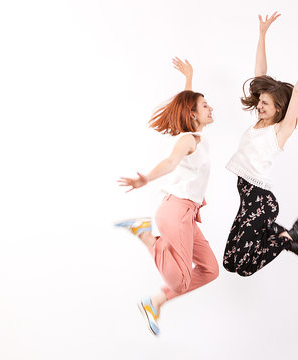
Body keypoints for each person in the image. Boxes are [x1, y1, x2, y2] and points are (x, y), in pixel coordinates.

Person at [223, 12, 298, 276]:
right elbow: (259, 74)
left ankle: (290, 236)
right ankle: (284, 232)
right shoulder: (260, 122)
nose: (259, 106)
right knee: (230, 262)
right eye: (259, 101)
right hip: (247, 199)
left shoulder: (280, 131)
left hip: (260, 201)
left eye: (264, 104)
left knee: (245, 268)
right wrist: (262, 34)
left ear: (279, 109)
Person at [115, 58, 218, 336]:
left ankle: (155, 302)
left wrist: (189, 78)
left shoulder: (196, 135)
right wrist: (145, 179)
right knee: (181, 282)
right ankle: (146, 235)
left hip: (185, 213)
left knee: (210, 270)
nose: (211, 108)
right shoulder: (187, 140)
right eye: (205, 105)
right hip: (176, 212)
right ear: (195, 114)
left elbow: (188, 105)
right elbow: (171, 162)